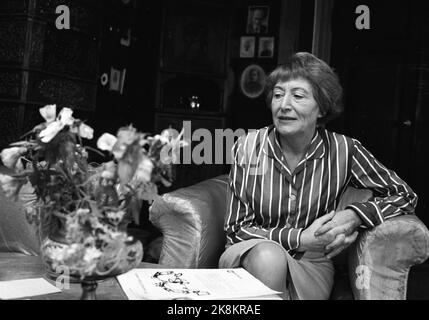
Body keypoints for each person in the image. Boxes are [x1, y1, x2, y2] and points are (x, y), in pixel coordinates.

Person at [219, 52, 417, 299]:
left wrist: (355, 215)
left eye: (298, 96)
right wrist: (300, 238)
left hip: (311, 263)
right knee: (269, 257)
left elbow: (404, 195)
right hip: (250, 252)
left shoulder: (345, 150)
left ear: (322, 107)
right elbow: (236, 228)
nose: (284, 105)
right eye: (278, 95)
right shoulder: (248, 146)